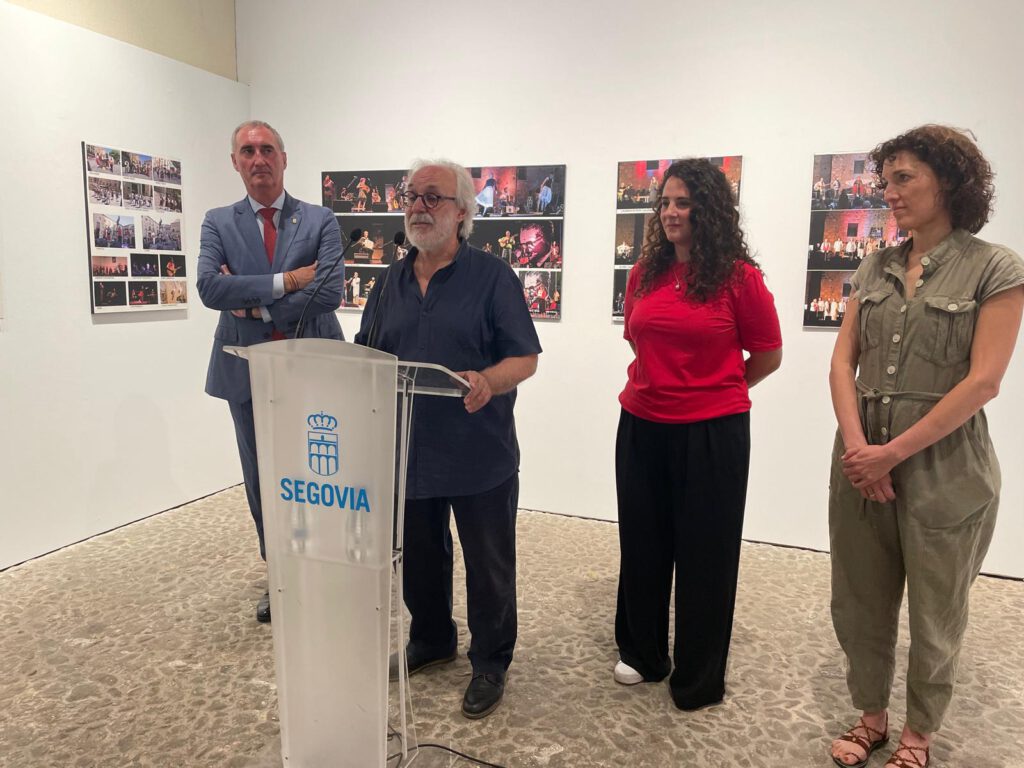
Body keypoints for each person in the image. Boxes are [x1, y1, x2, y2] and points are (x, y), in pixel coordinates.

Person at [828, 125, 1024, 768]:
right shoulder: (874, 265)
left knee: (938, 608)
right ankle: (871, 717)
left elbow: (984, 381)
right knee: (859, 598)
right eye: (885, 181)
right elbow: (842, 363)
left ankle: (919, 733)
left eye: (904, 178)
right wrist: (860, 449)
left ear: (950, 181)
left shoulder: (996, 267)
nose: (889, 193)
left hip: (947, 468)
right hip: (861, 458)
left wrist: (891, 454)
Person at [355, 159, 541, 720]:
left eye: (432, 197)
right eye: (412, 195)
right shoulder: (388, 282)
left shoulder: (493, 278)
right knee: (420, 560)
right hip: (408, 452)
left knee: (489, 566)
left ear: (461, 212)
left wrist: (488, 380)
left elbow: (525, 359)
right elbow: (367, 353)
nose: (418, 206)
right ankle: (433, 638)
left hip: (479, 453)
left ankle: (490, 661)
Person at [613, 157, 782, 711]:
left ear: (707, 210)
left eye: (683, 203)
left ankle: (698, 676)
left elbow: (768, 355)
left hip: (713, 434)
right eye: (664, 202)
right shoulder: (645, 273)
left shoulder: (739, 278)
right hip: (642, 424)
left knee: (706, 553)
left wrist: (715, 390)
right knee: (643, 542)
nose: (670, 212)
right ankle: (643, 653)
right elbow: (637, 337)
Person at [196, 120, 344, 624]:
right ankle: (281, 573)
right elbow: (210, 289)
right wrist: (287, 281)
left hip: (313, 370)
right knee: (263, 478)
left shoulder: (320, 219)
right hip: (246, 373)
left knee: (320, 473)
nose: (258, 159)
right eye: (247, 151)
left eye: (266, 149)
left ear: (284, 158)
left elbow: (329, 291)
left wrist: (252, 302)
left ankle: (324, 567)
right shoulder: (218, 222)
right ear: (234, 162)